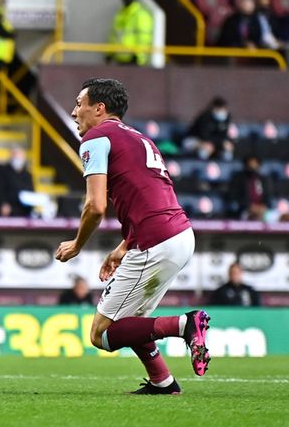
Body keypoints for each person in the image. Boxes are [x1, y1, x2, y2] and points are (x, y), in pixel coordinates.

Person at [55, 78, 210, 395]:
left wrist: (77, 245)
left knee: (102, 333)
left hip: (156, 241)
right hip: (178, 234)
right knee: (132, 319)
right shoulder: (140, 138)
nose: (73, 113)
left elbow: (95, 207)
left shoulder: (97, 138)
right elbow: (153, 196)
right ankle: (162, 381)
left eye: (78, 104)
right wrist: (124, 246)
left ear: (99, 109)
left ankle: (185, 324)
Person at [107, 0, 154, 66]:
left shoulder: (140, 15)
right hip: (119, 58)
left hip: (133, 59)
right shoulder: (120, 14)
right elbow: (113, 36)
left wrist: (138, 55)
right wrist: (109, 53)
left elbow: (144, 37)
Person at [183, 96, 234, 160]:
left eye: (224, 109)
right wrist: (217, 144)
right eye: (220, 109)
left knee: (227, 151)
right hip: (194, 140)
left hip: (213, 143)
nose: (222, 111)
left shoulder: (227, 117)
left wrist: (225, 143)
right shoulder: (205, 117)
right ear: (214, 108)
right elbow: (204, 136)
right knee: (204, 151)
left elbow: (224, 135)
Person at [225, 155, 274, 221]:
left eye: (255, 164)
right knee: (253, 217)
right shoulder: (238, 179)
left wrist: (263, 207)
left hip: (263, 210)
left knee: (278, 216)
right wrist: (250, 206)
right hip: (245, 210)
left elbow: (268, 197)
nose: (252, 167)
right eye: (250, 164)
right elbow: (234, 197)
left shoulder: (263, 179)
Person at [0, 147, 34, 217]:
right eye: (16, 156)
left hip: (25, 209)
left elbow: (31, 192)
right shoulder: (3, 172)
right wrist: (3, 203)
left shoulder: (28, 175)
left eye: (20, 157)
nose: (18, 159)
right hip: (9, 209)